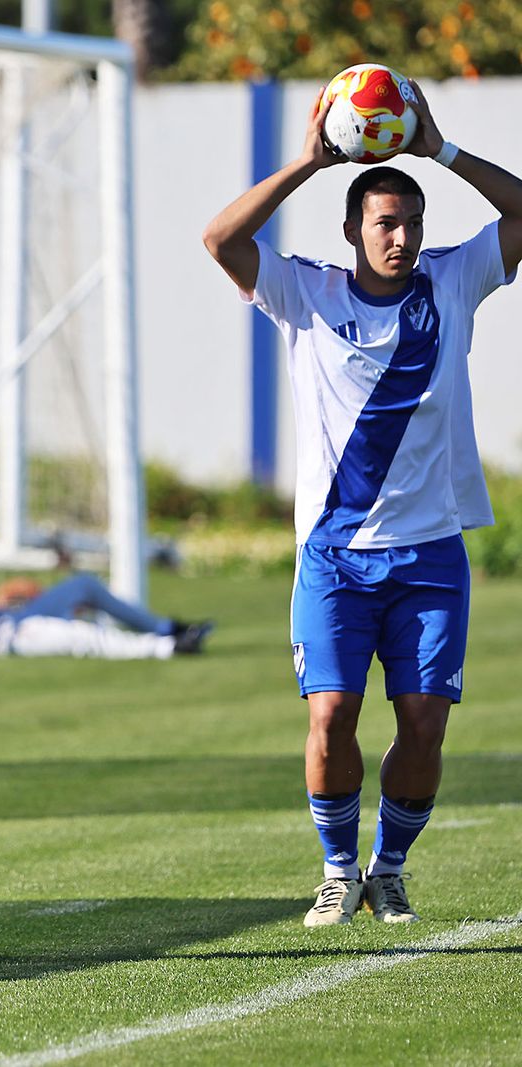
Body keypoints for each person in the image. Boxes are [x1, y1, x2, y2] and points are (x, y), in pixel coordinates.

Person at [203, 81, 522, 926]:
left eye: (412, 222)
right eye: (386, 222)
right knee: (332, 716)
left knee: (422, 727)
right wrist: (309, 161)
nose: (404, 237)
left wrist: (439, 151)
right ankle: (338, 867)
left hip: (429, 553)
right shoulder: (305, 293)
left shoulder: (451, 281)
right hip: (336, 556)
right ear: (352, 230)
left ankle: (390, 866)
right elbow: (220, 237)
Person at [0, 497, 211, 659]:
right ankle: (168, 647)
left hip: (7, 620)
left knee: (85, 585)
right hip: (4, 639)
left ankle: (165, 628)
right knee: (81, 636)